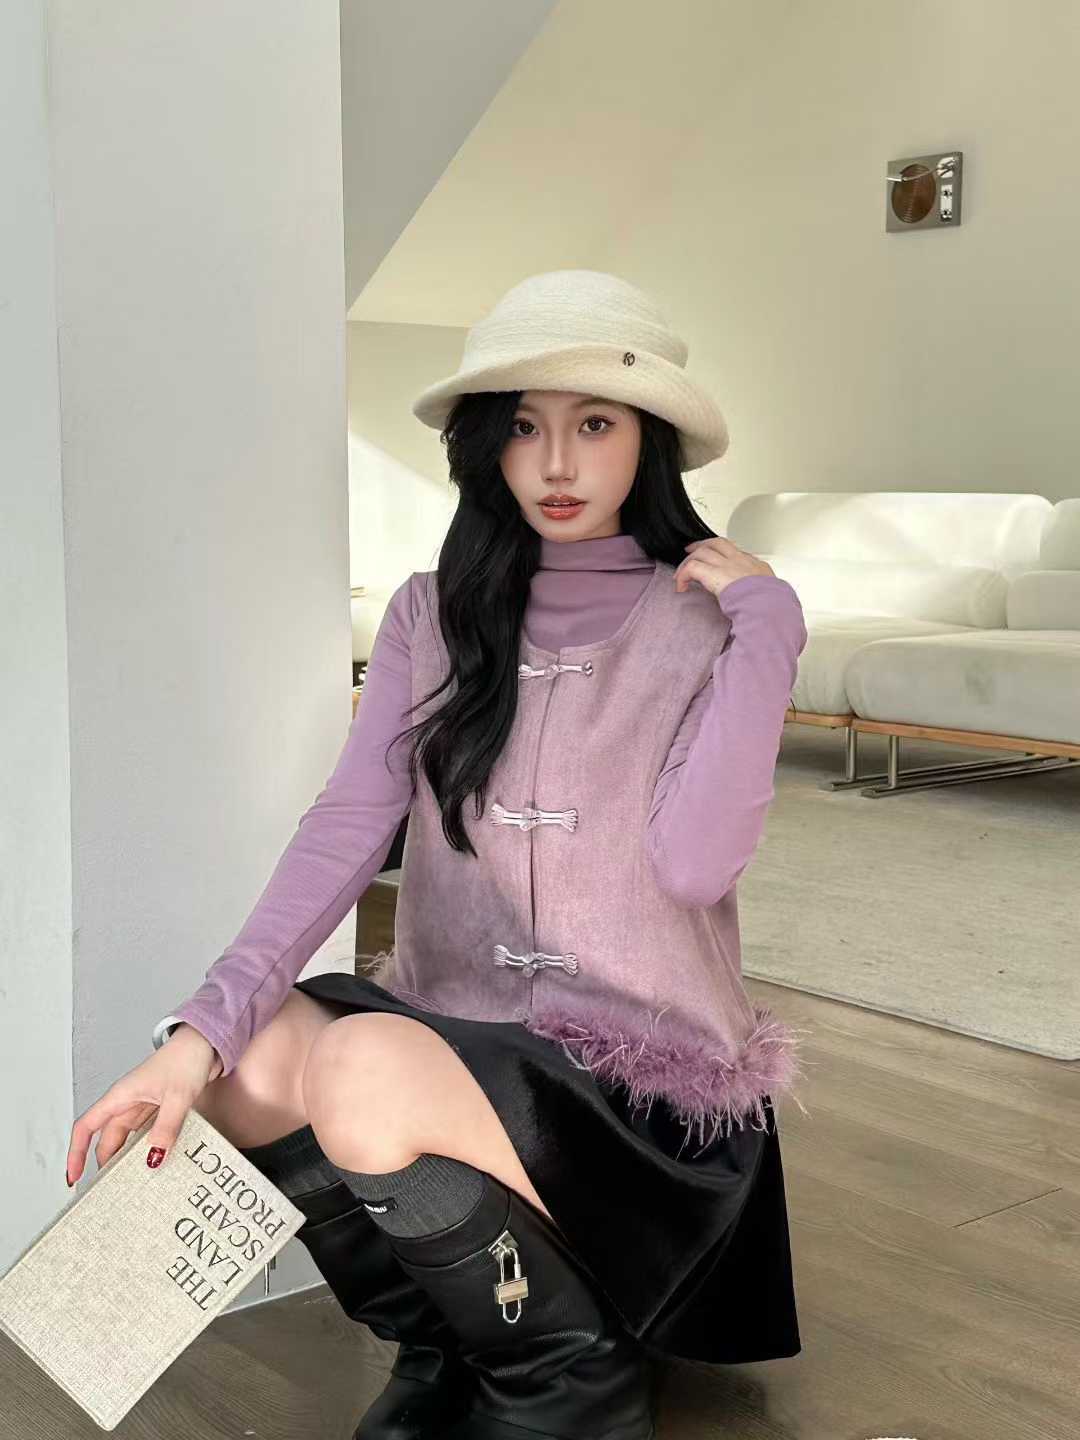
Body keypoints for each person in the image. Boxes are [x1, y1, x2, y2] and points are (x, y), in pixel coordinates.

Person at [65, 269, 810, 1440]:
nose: (555, 463)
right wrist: (199, 1033)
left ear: (650, 440)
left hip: (637, 1096)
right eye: (522, 426)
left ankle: (569, 1381)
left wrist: (770, 628)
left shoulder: (705, 618)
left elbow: (695, 867)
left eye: (594, 425)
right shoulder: (430, 613)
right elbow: (346, 825)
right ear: (484, 446)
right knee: (249, 1058)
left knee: (361, 1065)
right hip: (460, 1039)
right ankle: (451, 1346)